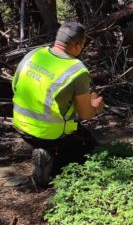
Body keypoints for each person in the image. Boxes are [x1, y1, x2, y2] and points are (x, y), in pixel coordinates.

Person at [12, 22, 104, 187]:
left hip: (21, 127)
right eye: (82, 45)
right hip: (50, 133)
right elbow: (86, 115)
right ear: (77, 45)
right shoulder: (77, 70)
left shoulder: (34, 54)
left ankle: (47, 152)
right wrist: (96, 106)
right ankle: (50, 160)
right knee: (90, 150)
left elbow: (15, 86)